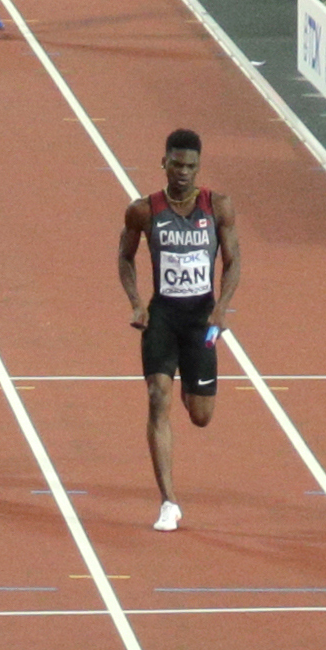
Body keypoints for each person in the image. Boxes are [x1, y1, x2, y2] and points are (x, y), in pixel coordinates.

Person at [117, 128, 241, 533]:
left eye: (191, 165)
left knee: (201, 415)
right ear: (164, 163)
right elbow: (125, 257)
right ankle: (168, 501)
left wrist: (222, 307)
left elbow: (233, 260)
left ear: (198, 167)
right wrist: (136, 301)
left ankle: (192, 380)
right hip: (163, 317)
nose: (183, 172)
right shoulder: (143, 210)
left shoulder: (217, 207)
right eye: (176, 164)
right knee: (158, 398)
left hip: (202, 321)